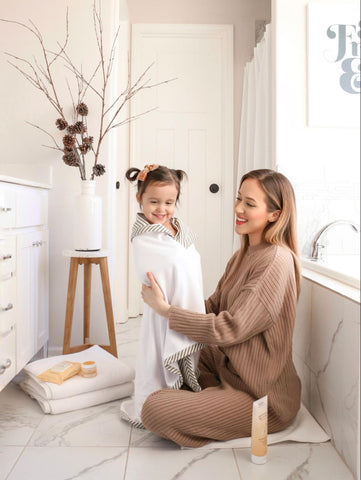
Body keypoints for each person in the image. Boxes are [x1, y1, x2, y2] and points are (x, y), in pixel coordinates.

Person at [140, 168, 302, 447]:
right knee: (166, 359)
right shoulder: (244, 254)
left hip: (259, 395)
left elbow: (230, 327)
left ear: (275, 214)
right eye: (239, 199)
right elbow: (213, 306)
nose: (238, 208)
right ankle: (205, 397)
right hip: (225, 367)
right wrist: (165, 301)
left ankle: (209, 402)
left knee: (154, 408)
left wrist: (168, 311)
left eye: (250, 204)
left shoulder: (275, 261)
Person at [120, 164, 205, 427]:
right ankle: (161, 400)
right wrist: (166, 306)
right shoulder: (144, 236)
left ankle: (182, 395)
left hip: (182, 307)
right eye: (153, 201)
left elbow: (188, 259)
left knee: (187, 358)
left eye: (169, 202)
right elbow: (156, 265)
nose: (161, 209)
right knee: (159, 357)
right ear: (139, 199)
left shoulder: (178, 227)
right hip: (163, 309)